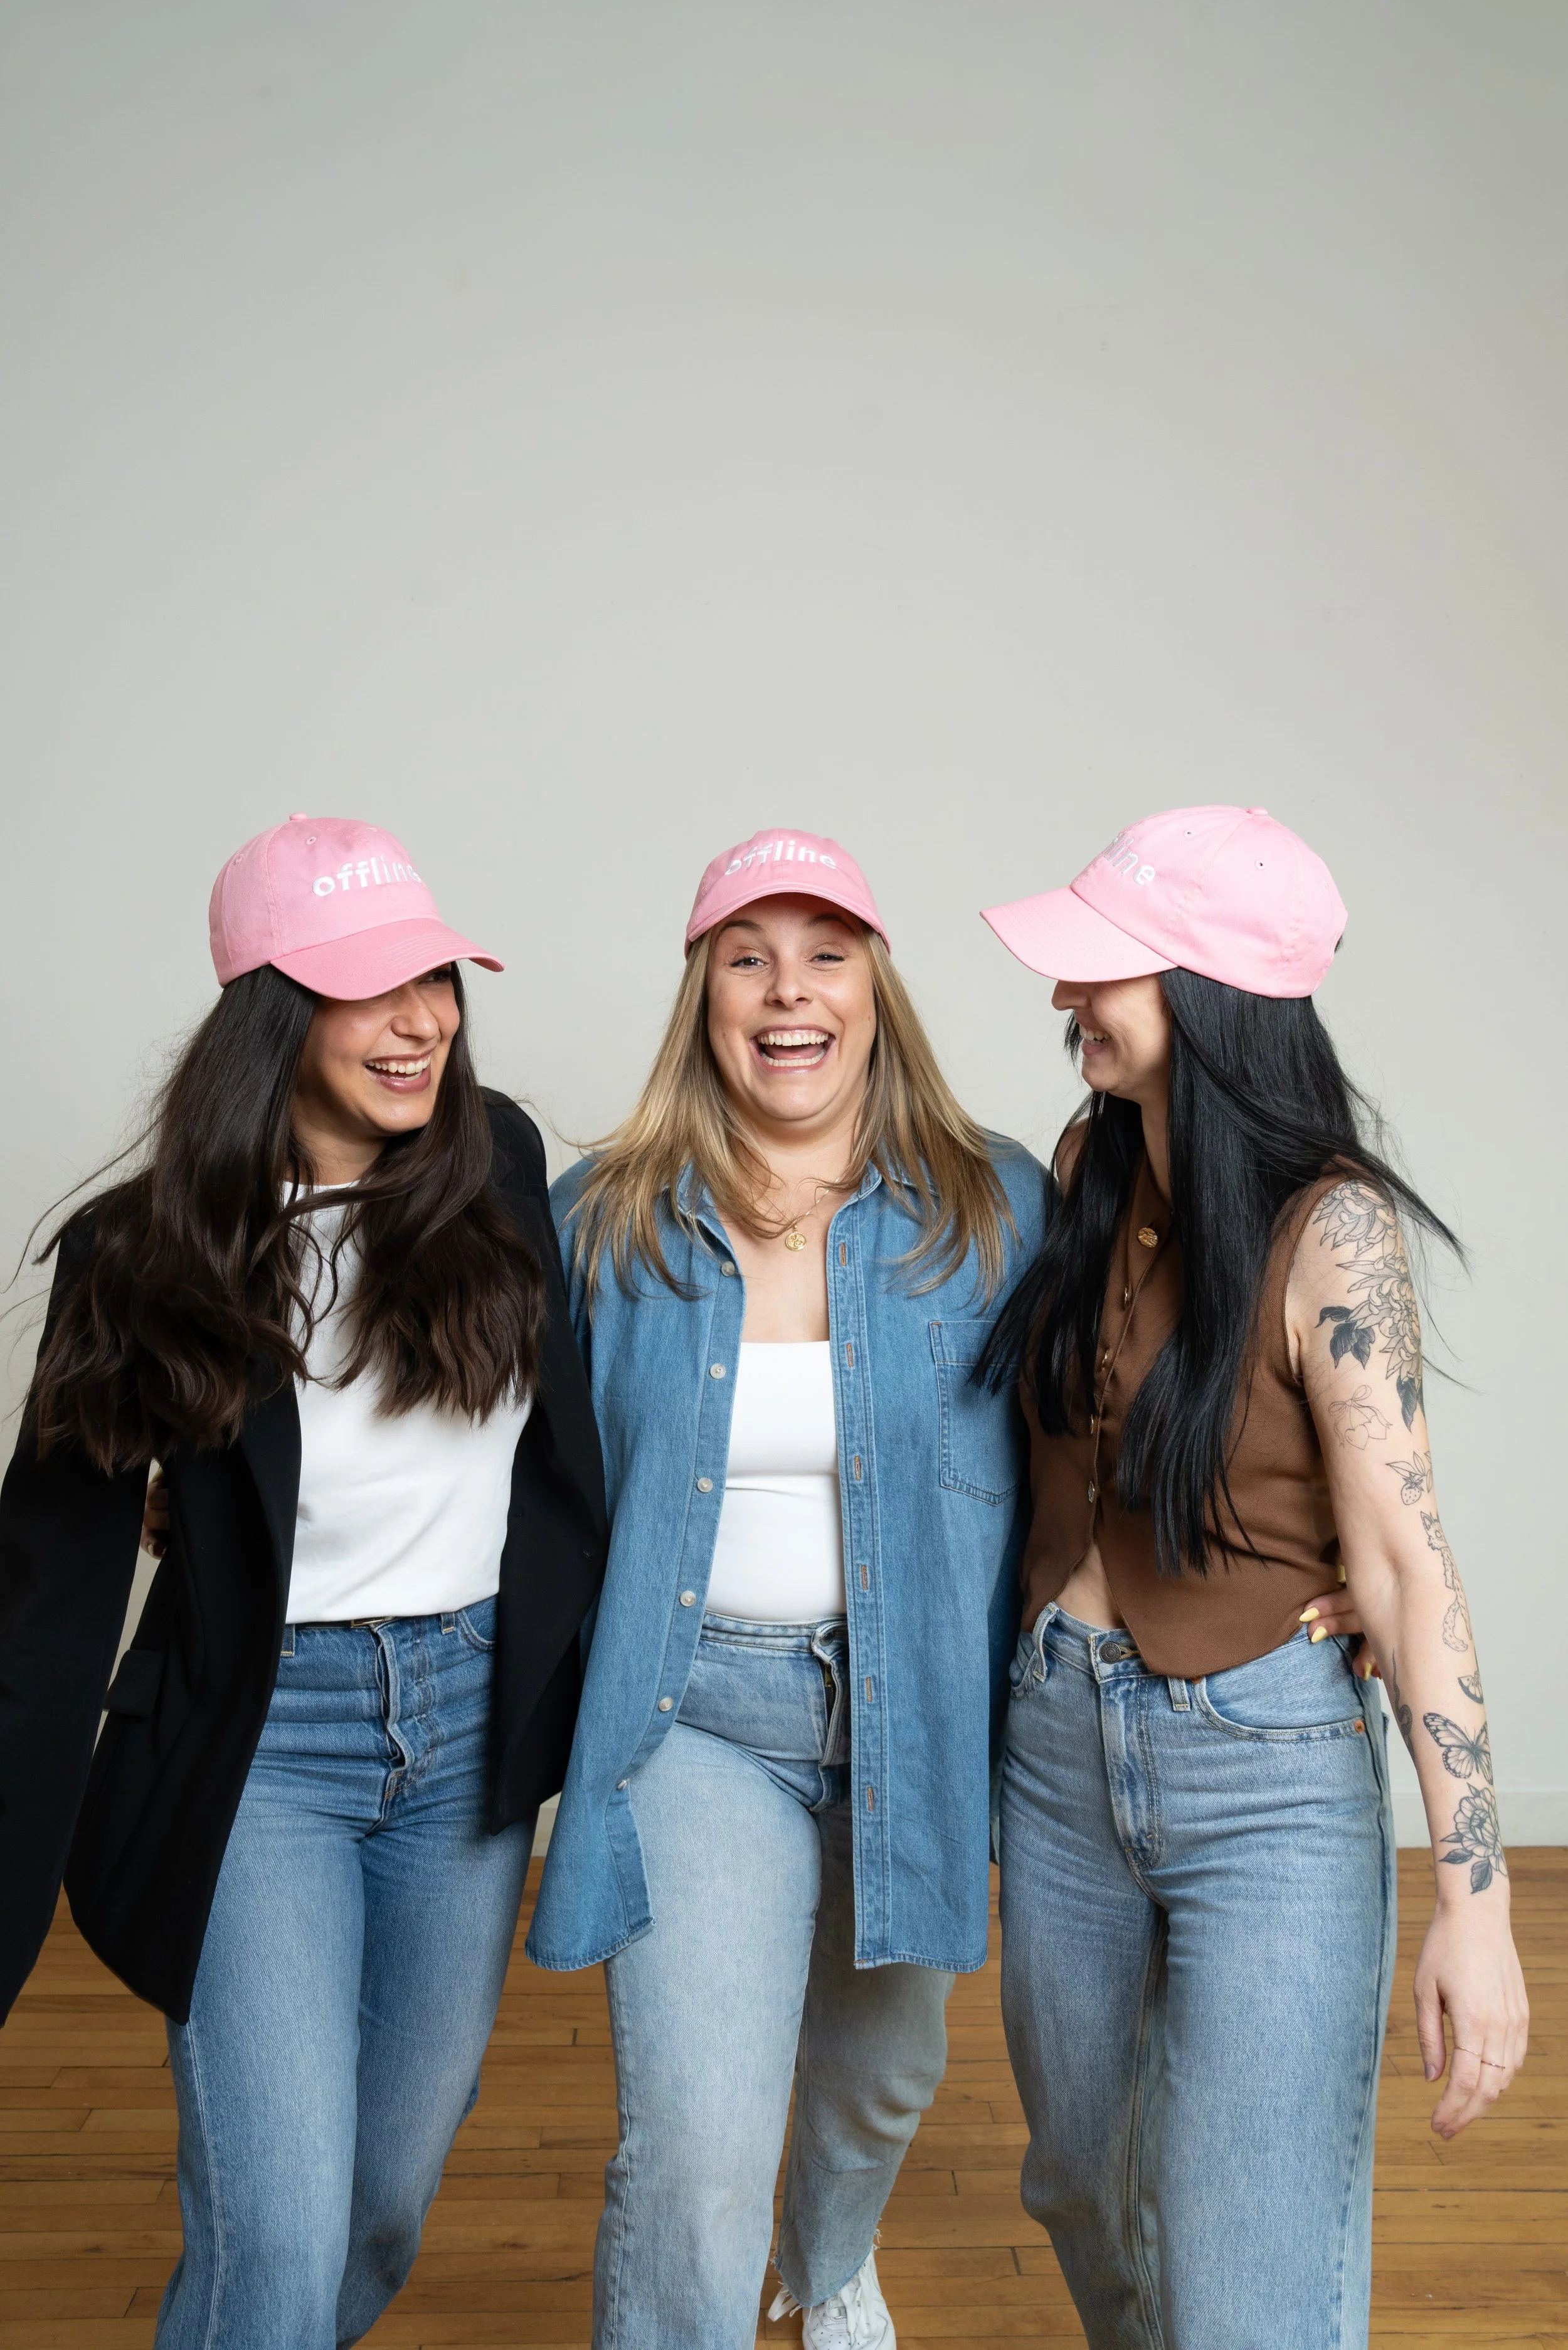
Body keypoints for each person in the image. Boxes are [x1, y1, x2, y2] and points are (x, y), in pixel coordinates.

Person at [0, 813, 607, 2350]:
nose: (423, 1023)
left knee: (378, 2206)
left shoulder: (501, 1169)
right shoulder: (140, 1259)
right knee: (275, 2230)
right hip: (263, 1748)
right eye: (370, 987)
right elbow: (45, 1597)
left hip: (466, 1733)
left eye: (438, 981)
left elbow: (575, 1454)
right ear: (269, 1008)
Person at [978, 805, 1530, 2349]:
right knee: (1082, 2187)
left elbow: (1407, 1573)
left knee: (1248, 2281)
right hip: (1058, 1754)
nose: (1061, 998)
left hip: (1266, 1775)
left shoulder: (1332, 1233)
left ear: (1210, 995)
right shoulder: (1092, 1166)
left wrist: (1471, 1912)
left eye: (1101, 970)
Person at [525, 828, 1047, 2350]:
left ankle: (824, 2267)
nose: (786, 991)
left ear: (877, 990)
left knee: (880, 2076)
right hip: (694, 1712)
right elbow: (485, 1457)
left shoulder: (995, 1208)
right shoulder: (601, 1217)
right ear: (702, 996)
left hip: (914, 1706)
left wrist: (1319, 1559)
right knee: (691, 2144)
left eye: (824, 953)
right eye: (746, 956)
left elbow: (1127, 1406)